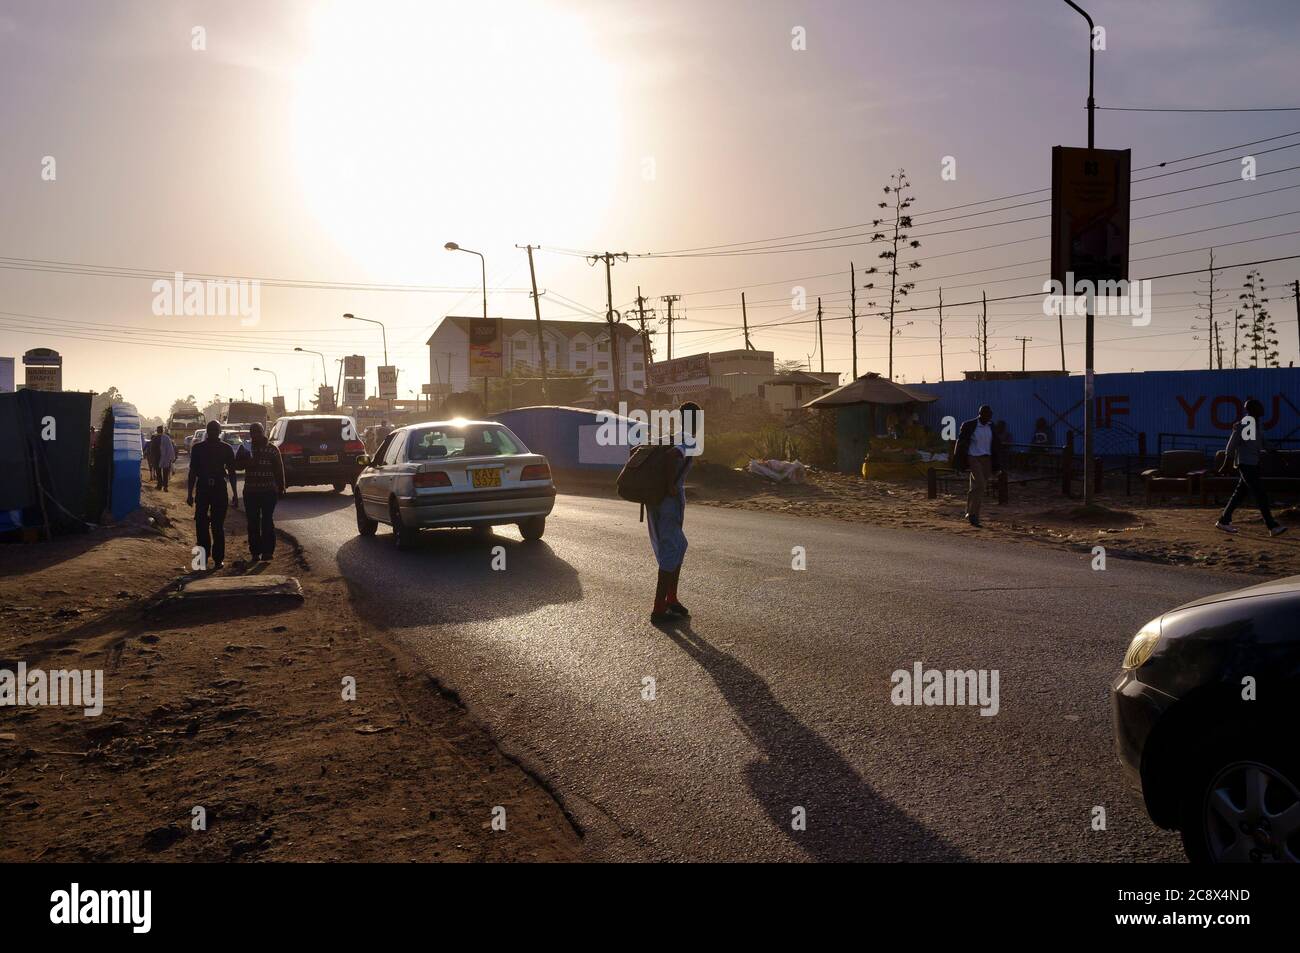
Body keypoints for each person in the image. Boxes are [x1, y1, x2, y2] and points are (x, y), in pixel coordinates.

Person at [648, 401, 701, 624]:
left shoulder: (673, 435)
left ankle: (672, 599)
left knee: (678, 546)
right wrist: (671, 485)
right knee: (671, 549)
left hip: (656, 498)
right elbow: (672, 456)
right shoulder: (687, 438)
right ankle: (659, 609)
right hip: (668, 500)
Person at [1215, 398, 1287, 537]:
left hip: (1253, 463)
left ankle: (1224, 520)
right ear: (1253, 409)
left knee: (1240, 493)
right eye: (1259, 406)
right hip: (1246, 464)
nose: (1262, 408)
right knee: (1260, 494)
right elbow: (1233, 443)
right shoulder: (1245, 424)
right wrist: (1226, 463)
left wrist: (1274, 451)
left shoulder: (1256, 423)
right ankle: (1272, 526)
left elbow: (1261, 441)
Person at [187, 420, 239, 570]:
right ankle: (207, 560)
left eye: (215, 431)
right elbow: (193, 473)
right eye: (212, 431)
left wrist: (235, 493)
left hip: (215, 489)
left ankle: (215, 559)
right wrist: (190, 493)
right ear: (209, 432)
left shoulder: (224, 449)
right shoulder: (200, 449)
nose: (214, 433)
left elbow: (232, 473)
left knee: (214, 526)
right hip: (205, 489)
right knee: (204, 525)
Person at [237, 421, 286, 562]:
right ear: (250, 434)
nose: (256, 435)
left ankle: (268, 552)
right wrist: (247, 462)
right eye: (253, 432)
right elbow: (237, 465)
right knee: (252, 523)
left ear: (263, 432)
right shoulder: (246, 448)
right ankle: (255, 552)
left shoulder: (272, 449)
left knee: (267, 522)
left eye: (258, 432)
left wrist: (281, 487)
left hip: (268, 492)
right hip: (251, 492)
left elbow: (279, 470)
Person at [952, 404, 1003, 528]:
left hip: (987, 459)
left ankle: (970, 512)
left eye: (990, 415)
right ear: (980, 414)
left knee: (976, 488)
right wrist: (958, 463)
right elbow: (961, 444)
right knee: (980, 484)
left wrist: (997, 465)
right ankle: (973, 515)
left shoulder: (991, 427)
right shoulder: (969, 425)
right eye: (986, 415)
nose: (988, 417)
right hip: (973, 457)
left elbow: (996, 446)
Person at [154, 426, 177, 490]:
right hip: (166, 458)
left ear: (157, 431)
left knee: (158, 472)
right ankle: (165, 487)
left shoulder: (155, 438)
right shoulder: (167, 438)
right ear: (162, 431)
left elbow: (152, 450)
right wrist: (172, 457)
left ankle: (159, 486)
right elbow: (170, 449)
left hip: (157, 458)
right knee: (165, 473)